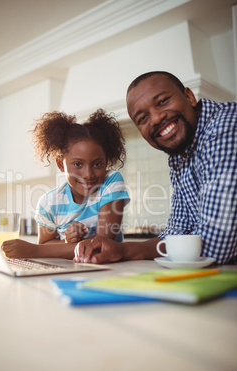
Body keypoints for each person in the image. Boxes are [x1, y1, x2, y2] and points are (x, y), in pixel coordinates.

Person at [74, 71, 237, 265]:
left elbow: (218, 245)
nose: (157, 118)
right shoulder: (180, 158)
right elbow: (177, 231)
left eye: (162, 101)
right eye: (143, 118)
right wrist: (121, 250)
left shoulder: (225, 127)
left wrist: (127, 250)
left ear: (189, 97)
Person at [2, 109, 130, 259]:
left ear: (106, 162)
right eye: (77, 164)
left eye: (97, 164)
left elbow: (102, 246)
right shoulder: (48, 203)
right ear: (61, 165)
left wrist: (33, 251)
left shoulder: (111, 181)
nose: (88, 174)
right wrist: (66, 241)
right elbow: (45, 243)